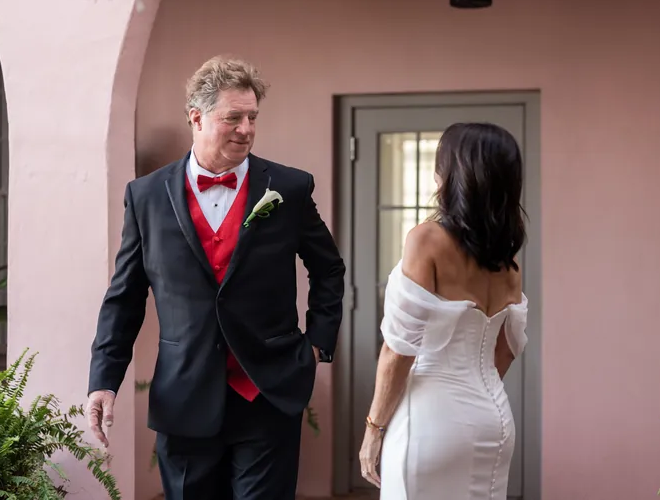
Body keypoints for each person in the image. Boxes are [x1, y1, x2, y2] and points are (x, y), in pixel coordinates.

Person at [85, 55, 345, 500]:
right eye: (233, 118)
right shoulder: (145, 197)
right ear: (197, 117)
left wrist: (317, 341)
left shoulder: (290, 187)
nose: (246, 129)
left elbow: (328, 268)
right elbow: (125, 296)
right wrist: (104, 379)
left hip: (268, 392)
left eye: (252, 117)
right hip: (184, 397)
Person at [358, 122, 529, 499]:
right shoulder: (508, 265)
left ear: (453, 175)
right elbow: (505, 352)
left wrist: (374, 429)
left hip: (430, 420)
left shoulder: (426, 239)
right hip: (494, 422)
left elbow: (398, 351)